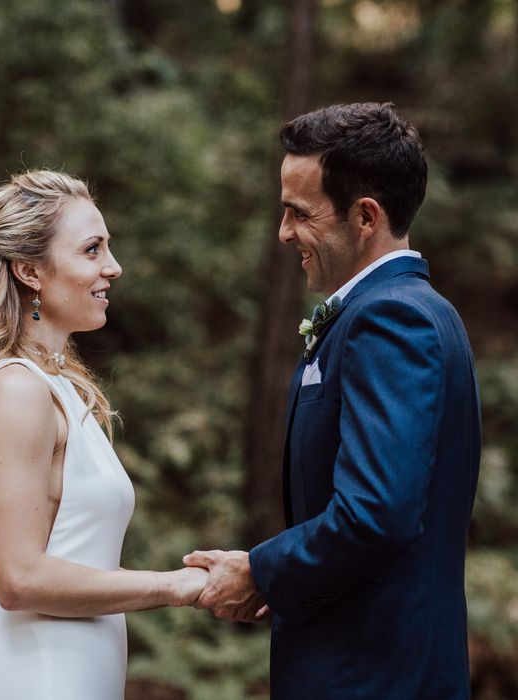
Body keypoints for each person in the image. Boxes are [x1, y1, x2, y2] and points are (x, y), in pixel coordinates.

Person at [185, 103, 481, 698]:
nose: (284, 232)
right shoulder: (408, 311)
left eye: (298, 213)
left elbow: (376, 513)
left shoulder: (392, 319)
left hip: (373, 677)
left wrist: (261, 572)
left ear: (365, 216)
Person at [0, 170, 208, 700]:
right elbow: (19, 579)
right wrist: (174, 586)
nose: (114, 266)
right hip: (36, 679)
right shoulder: (14, 392)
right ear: (30, 271)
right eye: (92, 250)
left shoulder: (51, 385)